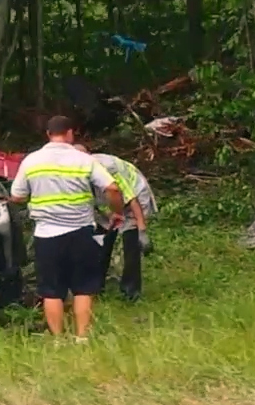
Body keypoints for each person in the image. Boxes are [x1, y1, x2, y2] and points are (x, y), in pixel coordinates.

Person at [11, 116, 122, 341]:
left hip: (47, 235)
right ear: (70, 133)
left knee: (51, 291)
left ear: (48, 134)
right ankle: (82, 337)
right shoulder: (82, 159)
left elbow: (17, 195)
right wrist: (116, 211)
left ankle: (57, 340)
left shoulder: (31, 161)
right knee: (83, 288)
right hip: (81, 232)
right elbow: (112, 187)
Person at [78, 145, 155, 301]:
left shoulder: (107, 169)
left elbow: (131, 198)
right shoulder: (74, 172)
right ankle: (95, 286)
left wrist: (142, 230)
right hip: (109, 201)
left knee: (130, 243)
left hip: (134, 193)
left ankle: (131, 292)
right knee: (101, 242)